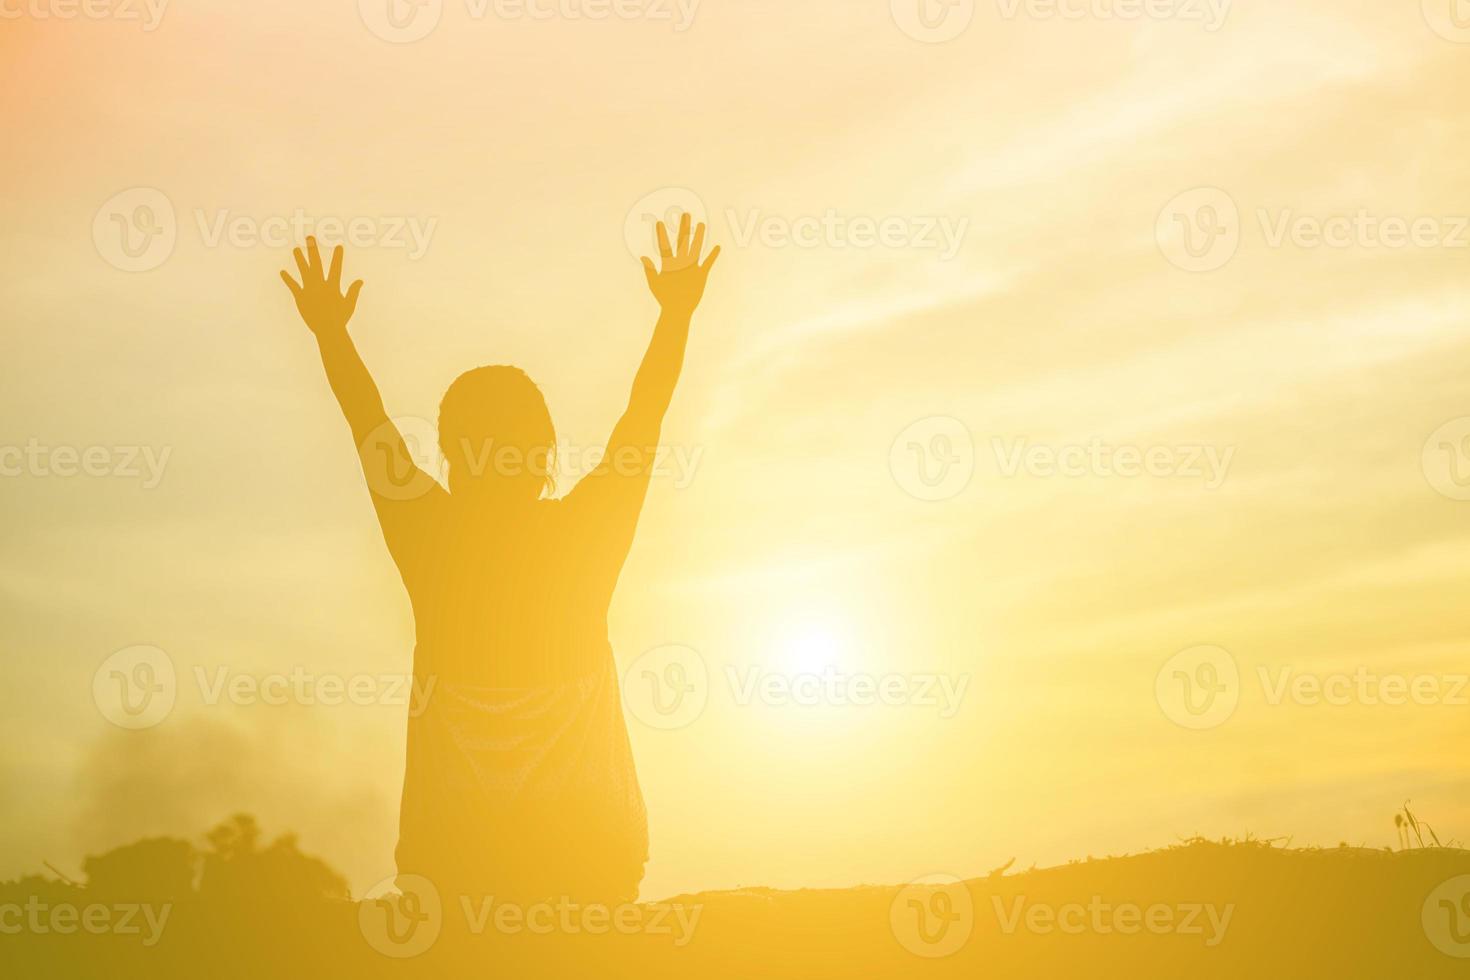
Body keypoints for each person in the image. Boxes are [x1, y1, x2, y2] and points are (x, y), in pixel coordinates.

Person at [279, 215, 720, 905]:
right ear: (545, 455)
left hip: (457, 863)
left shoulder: (428, 535)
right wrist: (675, 318)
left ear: (451, 456)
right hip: (587, 858)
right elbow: (644, 417)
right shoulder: (585, 534)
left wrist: (332, 334)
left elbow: (367, 422)